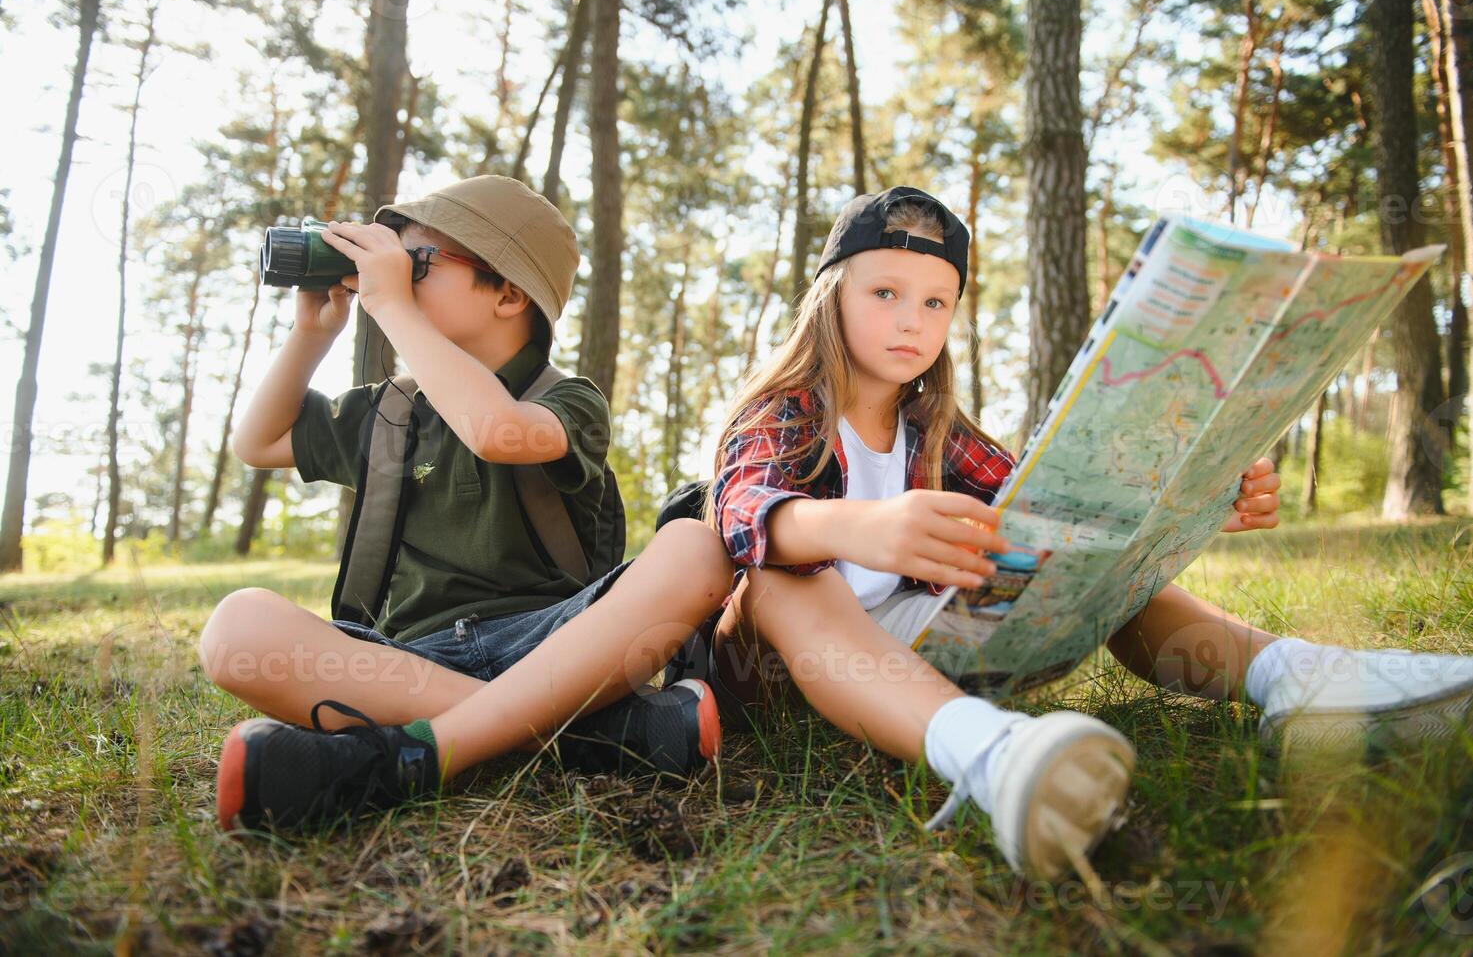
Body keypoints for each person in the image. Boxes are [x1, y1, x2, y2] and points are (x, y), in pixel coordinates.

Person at [694, 185, 1473, 880]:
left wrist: (1203, 494)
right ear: (830, 296)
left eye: (936, 303)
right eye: (886, 291)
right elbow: (738, 514)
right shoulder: (786, 409)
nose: (911, 319)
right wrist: (855, 526)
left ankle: (1296, 678)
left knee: (1089, 558)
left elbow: (1043, 508)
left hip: (914, 653)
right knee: (783, 574)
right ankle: (988, 756)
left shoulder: (932, 427)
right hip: (777, 676)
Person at [200, 175, 729, 833]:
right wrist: (313, 335)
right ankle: (585, 740)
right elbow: (260, 441)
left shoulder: (565, 400)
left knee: (695, 546)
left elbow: (496, 431)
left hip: (557, 647)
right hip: (409, 661)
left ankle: (406, 756)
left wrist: (394, 309)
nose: (389, 278)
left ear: (508, 293)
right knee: (236, 629)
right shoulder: (389, 413)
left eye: (415, 263)